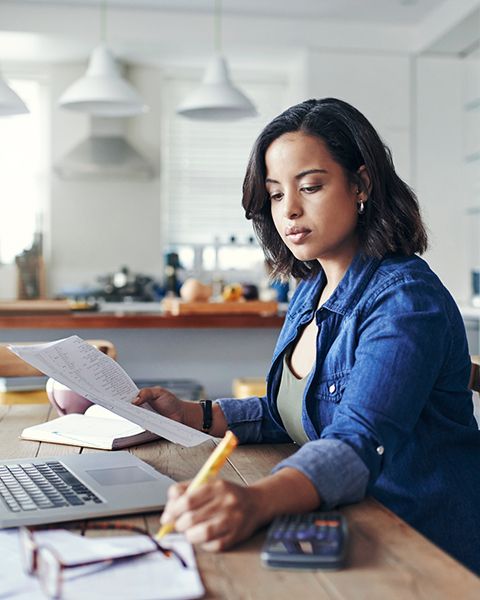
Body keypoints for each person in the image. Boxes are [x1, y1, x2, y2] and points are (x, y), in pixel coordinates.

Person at [133, 98, 480, 574]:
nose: (290, 210)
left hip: (422, 545)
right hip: (352, 521)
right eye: (276, 194)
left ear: (361, 184)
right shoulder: (311, 288)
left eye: (310, 186)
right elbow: (297, 412)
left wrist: (255, 501)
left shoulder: (405, 301)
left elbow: (357, 439)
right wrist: (195, 415)